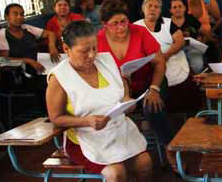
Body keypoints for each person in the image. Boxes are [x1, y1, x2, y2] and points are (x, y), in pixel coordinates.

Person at [46, 20, 152, 182]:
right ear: (66, 49)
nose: (92, 55)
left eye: (94, 48)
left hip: (117, 131)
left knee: (144, 164)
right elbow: (56, 118)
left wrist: (125, 99)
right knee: (115, 173)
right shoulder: (59, 78)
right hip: (85, 139)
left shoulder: (105, 61)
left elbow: (121, 81)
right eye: (84, 51)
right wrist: (86, 121)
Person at [96, 0, 171, 147]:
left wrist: (154, 89)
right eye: (115, 23)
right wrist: (125, 96)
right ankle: (119, 150)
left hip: (150, 82)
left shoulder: (140, 32)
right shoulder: (98, 40)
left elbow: (160, 63)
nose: (121, 27)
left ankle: (168, 147)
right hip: (118, 87)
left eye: (124, 21)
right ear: (105, 25)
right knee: (106, 111)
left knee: (152, 106)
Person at [135, 0, 202, 113]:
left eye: (156, 7)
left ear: (160, 10)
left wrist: (166, 55)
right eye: (149, 6)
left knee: (187, 82)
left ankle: (188, 115)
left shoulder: (168, 23)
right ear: (143, 8)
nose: (152, 9)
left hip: (170, 55)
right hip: (148, 61)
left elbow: (180, 41)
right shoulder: (135, 26)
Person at [0, 3, 60, 109]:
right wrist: (28, 61)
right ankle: (49, 113)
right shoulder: (2, 34)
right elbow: (4, 60)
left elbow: (51, 34)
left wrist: (52, 46)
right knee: (48, 83)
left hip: (39, 68)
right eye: (15, 14)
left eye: (22, 14)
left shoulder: (27, 28)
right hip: (19, 74)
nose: (19, 17)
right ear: (7, 17)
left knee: (60, 76)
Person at [170, 0, 207, 74]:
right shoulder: (166, 22)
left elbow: (204, 32)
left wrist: (201, 45)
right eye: (174, 7)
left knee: (197, 64)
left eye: (180, 6)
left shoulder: (191, 19)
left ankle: (196, 81)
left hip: (192, 48)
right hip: (174, 50)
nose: (177, 9)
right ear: (170, 10)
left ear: (185, 8)